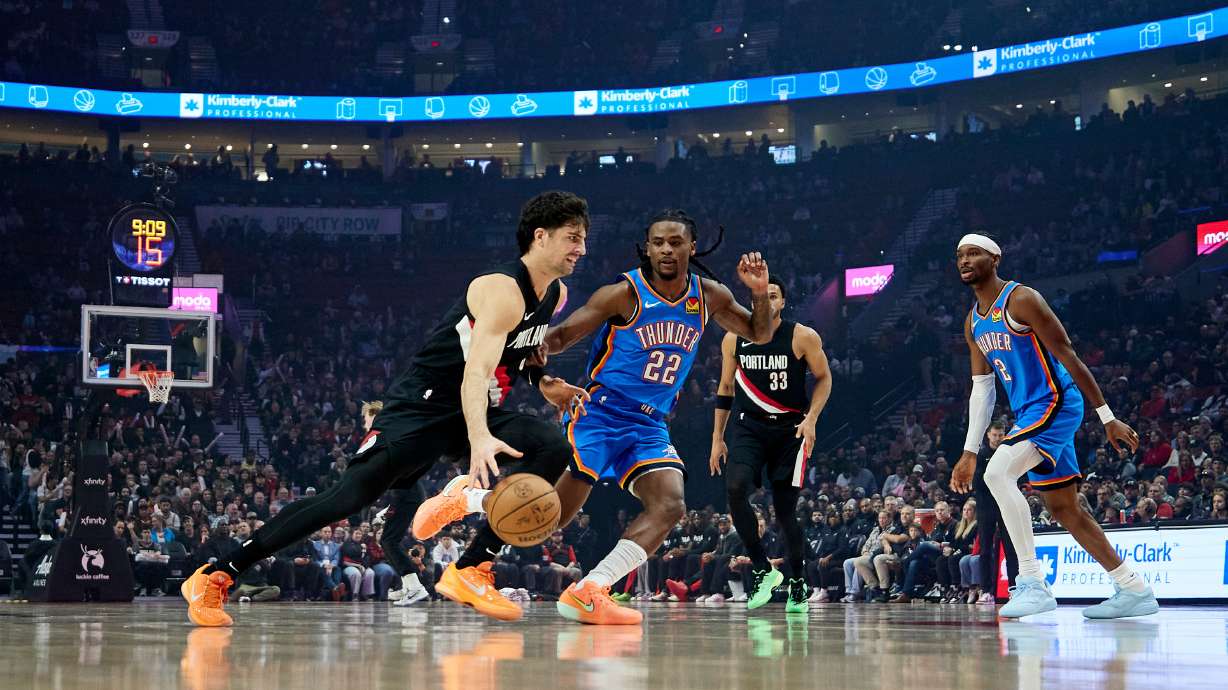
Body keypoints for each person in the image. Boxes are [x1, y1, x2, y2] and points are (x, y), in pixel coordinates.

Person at [181, 191, 593, 626]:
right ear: (540, 237)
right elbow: (476, 371)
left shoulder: (554, 295)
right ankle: (217, 574)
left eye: (583, 239)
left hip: (472, 409)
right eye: (572, 238)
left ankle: (471, 567)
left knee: (552, 446)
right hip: (421, 408)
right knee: (345, 499)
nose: (581, 249)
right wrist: (478, 438)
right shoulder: (501, 289)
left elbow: (512, 356)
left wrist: (545, 382)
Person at [414, 209, 773, 625]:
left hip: (650, 423)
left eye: (675, 242)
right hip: (600, 413)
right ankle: (467, 498)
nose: (666, 250)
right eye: (658, 242)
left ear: (692, 247)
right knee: (549, 518)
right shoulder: (622, 294)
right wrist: (537, 366)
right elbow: (562, 335)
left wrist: (759, 292)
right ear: (647, 247)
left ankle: (591, 588)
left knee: (670, 504)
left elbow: (759, 334)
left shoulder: (709, 295)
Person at [949, 233, 1157, 619]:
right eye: (960, 255)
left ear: (995, 259)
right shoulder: (972, 323)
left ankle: (1030, 582)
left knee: (997, 475)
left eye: (974, 253)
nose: (964, 260)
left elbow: (1068, 355)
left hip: (1055, 403)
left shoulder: (1022, 299)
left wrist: (1107, 417)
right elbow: (982, 389)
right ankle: (1134, 588)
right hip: (1030, 411)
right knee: (1065, 508)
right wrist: (969, 449)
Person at [709, 276, 832, 612]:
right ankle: (763, 570)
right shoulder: (734, 338)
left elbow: (824, 378)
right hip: (749, 429)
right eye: (760, 296)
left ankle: (798, 581)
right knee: (734, 489)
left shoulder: (802, 336)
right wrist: (717, 438)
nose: (766, 301)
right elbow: (725, 388)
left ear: (783, 301)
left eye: (773, 295)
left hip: (790, 430)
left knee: (784, 510)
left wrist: (812, 419)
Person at [363, 400, 429, 607]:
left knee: (389, 541)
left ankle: (415, 587)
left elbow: (399, 481)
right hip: (407, 495)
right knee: (389, 541)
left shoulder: (388, 439)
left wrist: (388, 511)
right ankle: (409, 585)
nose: (364, 423)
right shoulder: (390, 438)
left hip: (408, 496)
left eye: (366, 418)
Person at [973, 421, 1018, 603]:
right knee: (985, 550)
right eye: (995, 435)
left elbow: (1014, 477)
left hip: (1005, 505)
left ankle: (1014, 588)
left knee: (1010, 548)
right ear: (988, 435)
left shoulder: (1008, 452)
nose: (998, 438)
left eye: (1001, 435)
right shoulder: (981, 454)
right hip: (985, 507)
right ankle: (986, 590)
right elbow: (977, 483)